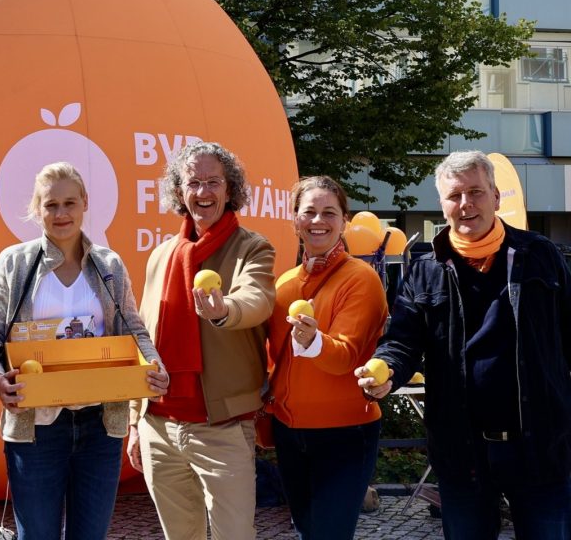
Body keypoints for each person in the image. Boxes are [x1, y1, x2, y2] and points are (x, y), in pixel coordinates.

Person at [357, 150, 571, 539]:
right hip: (463, 452)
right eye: (455, 196)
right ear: (442, 204)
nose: (466, 204)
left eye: (476, 192)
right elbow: (403, 342)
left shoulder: (539, 255)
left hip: (540, 445)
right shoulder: (426, 270)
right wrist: (386, 370)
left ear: (495, 196)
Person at [0, 162, 169, 540]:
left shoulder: (108, 264)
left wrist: (154, 363)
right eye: (50, 205)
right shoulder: (15, 263)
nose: (61, 214)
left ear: (85, 203)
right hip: (35, 429)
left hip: (102, 425)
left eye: (69, 203)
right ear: (37, 209)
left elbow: (133, 328)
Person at [128, 141, 276, 540]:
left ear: (231, 191)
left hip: (222, 426)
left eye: (214, 182)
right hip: (158, 424)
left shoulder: (253, 247)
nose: (203, 192)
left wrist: (223, 310)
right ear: (179, 191)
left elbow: (257, 299)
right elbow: (142, 338)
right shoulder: (160, 255)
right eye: (194, 182)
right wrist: (134, 421)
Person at [267, 176, 388, 540]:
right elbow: (272, 359)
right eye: (309, 212)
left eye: (329, 212)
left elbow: (345, 356)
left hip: (345, 433)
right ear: (294, 221)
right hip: (290, 432)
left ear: (344, 221)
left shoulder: (361, 279)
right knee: (308, 531)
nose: (318, 220)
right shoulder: (285, 282)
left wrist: (313, 341)